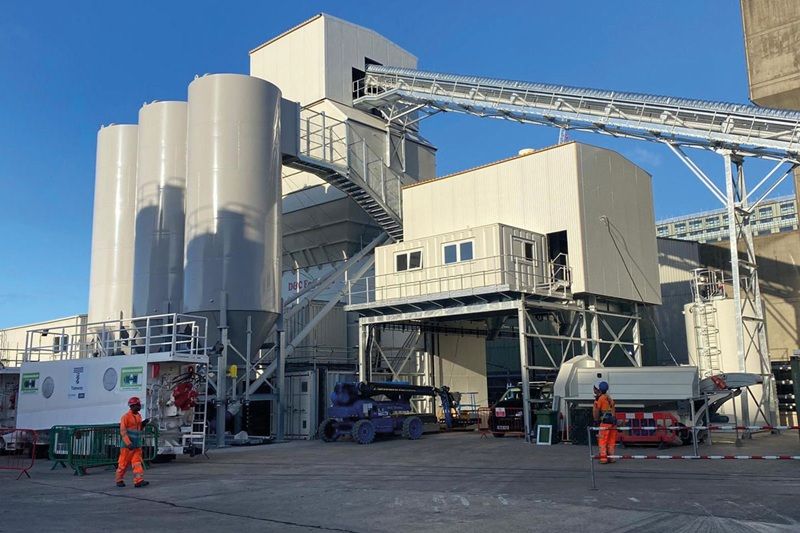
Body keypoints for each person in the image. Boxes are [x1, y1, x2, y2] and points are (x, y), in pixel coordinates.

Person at [116, 396, 150, 488]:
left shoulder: (138, 416)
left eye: (139, 404)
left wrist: (143, 424)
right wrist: (128, 443)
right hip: (127, 446)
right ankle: (119, 480)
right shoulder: (125, 417)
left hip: (136, 445)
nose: (139, 406)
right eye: (137, 405)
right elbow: (123, 431)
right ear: (132, 406)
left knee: (137, 463)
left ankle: (138, 481)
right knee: (123, 464)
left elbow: (138, 429)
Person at [592, 380, 617, 464]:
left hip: (605, 423)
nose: (594, 390)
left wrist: (596, 420)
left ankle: (603, 458)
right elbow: (613, 410)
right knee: (611, 441)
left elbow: (596, 411)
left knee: (602, 440)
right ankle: (612, 458)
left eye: (595, 388)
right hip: (612, 423)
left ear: (598, 390)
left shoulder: (599, 399)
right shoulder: (609, 398)